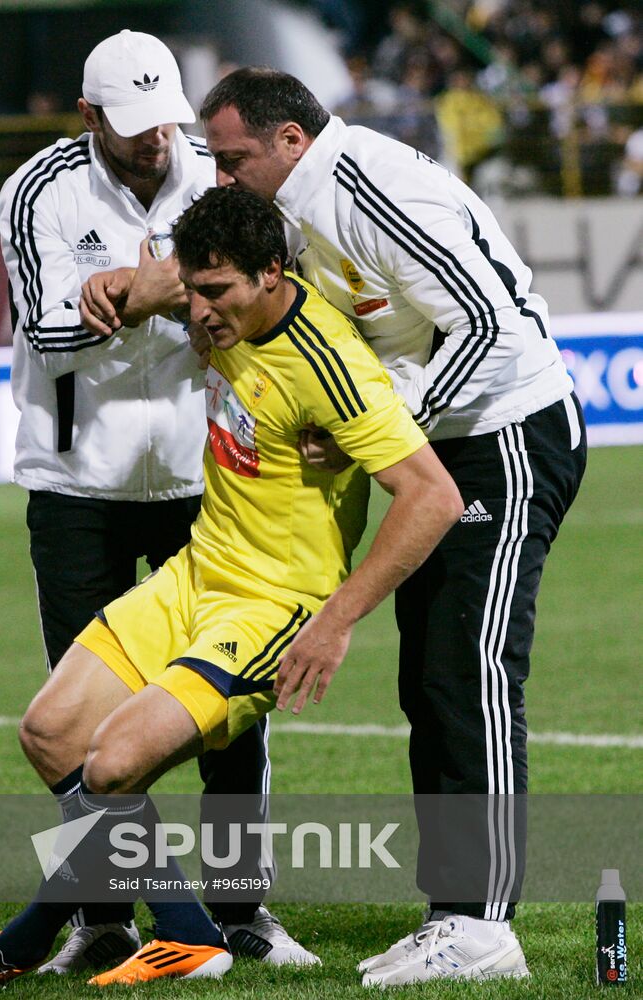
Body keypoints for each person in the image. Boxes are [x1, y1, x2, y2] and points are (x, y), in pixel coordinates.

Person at [0, 185, 462, 993]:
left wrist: (336, 622)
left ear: (273, 274)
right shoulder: (219, 306)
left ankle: (39, 941)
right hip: (195, 574)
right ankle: (190, 934)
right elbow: (155, 290)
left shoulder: (331, 366)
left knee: (113, 764)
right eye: (191, 290)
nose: (198, 313)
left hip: (275, 606)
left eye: (215, 293)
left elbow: (432, 497)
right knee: (50, 733)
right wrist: (116, 291)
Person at [198, 67, 587, 986]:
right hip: (447, 446)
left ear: (290, 141)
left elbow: (489, 323)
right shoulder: (293, 203)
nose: (222, 179)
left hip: (505, 436)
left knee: (470, 667)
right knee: (431, 677)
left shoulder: (373, 188)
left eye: (233, 159)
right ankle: (455, 913)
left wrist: (388, 434)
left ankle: (482, 924)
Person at [0, 31, 312, 975]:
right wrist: (155, 291)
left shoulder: (217, 184)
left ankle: (242, 910)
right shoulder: (37, 191)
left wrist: (132, 292)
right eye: (131, 128)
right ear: (89, 116)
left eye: (167, 122)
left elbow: (261, 301)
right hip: (75, 489)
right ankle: (103, 919)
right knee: (79, 722)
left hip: (202, 486)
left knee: (227, 712)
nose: (156, 144)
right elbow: (50, 329)